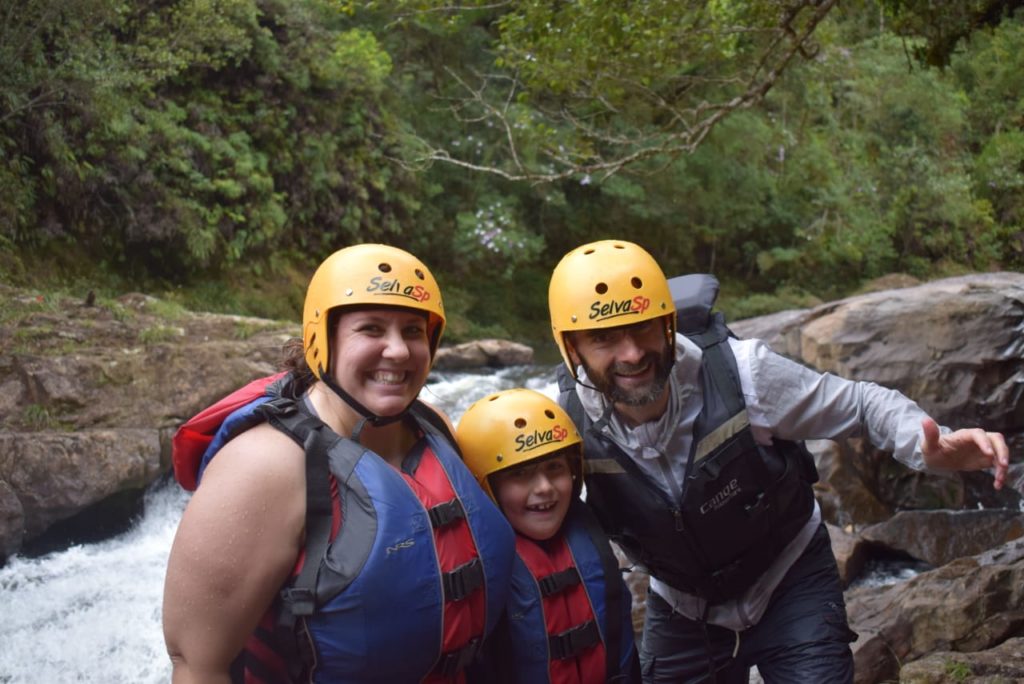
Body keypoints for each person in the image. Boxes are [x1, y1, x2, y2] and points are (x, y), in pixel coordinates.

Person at [546, 239, 1011, 683]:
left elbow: (862, 406)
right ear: (573, 349)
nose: (631, 354)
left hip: (790, 580)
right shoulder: (559, 426)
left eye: (643, 327)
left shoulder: (745, 373)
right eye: (603, 338)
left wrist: (929, 444)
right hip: (683, 607)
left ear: (667, 324)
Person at [163, 244, 515, 683]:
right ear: (321, 339)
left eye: (412, 331)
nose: (399, 351)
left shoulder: (435, 426)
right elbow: (199, 666)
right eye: (370, 329)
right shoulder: (263, 467)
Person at [456, 388, 640, 684]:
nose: (544, 487)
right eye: (520, 473)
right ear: (485, 486)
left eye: (555, 468)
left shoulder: (589, 532)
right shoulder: (476, 573)